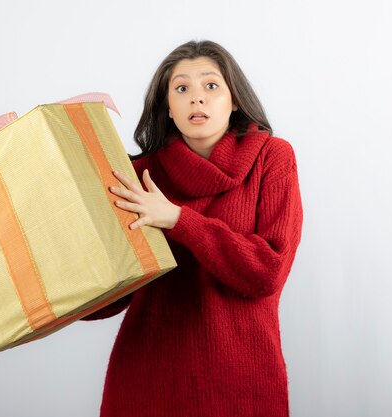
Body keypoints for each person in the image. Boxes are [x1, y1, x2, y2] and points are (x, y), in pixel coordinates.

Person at [82, 40, 303, 417]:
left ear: (234, 100)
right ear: (167, 106)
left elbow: (268, 272)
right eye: (181, 88)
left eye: (211, 86)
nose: (196, 99)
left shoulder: (272, 159)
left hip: (242, 381)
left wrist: (178, 220)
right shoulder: (138, 176)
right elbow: (107, 298)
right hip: (146, 382)